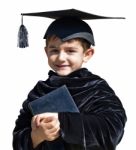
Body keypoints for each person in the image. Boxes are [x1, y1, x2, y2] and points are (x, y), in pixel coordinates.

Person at [13, 9, 127, 150]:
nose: (61, 58)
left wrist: (63, 122)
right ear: (46, 51)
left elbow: (113, 128)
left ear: (87, 54)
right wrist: (36, 136)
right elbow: (18, 136)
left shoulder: (96, 88)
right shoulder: (39, 92)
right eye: (54, 50)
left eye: (70, 51)